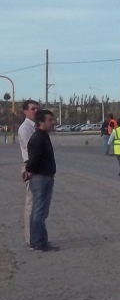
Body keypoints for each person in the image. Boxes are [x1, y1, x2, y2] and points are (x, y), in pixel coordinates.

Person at [24, 109, 59, 252]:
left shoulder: (42, 136)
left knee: (38, 212)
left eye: (53, 119)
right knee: (40, 212)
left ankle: (36, 241)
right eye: (49, 120)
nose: (53, 122)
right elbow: (33, 160)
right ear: (41, 122)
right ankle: (39, 243)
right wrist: (29, 170)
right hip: (41, 178)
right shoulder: (39, 138)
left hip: (42, 177)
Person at [18, 99, 39, 247]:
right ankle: (30, 238)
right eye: (33, 109)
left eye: (37, 108)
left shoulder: (36, 127)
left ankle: (36, 236)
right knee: (31, 204)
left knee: (38, 205)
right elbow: (31, 151)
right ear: (25, 111)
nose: (36, 111)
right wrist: (30, 170)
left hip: (38, 167)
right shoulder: (25, 128)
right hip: (31, 167)